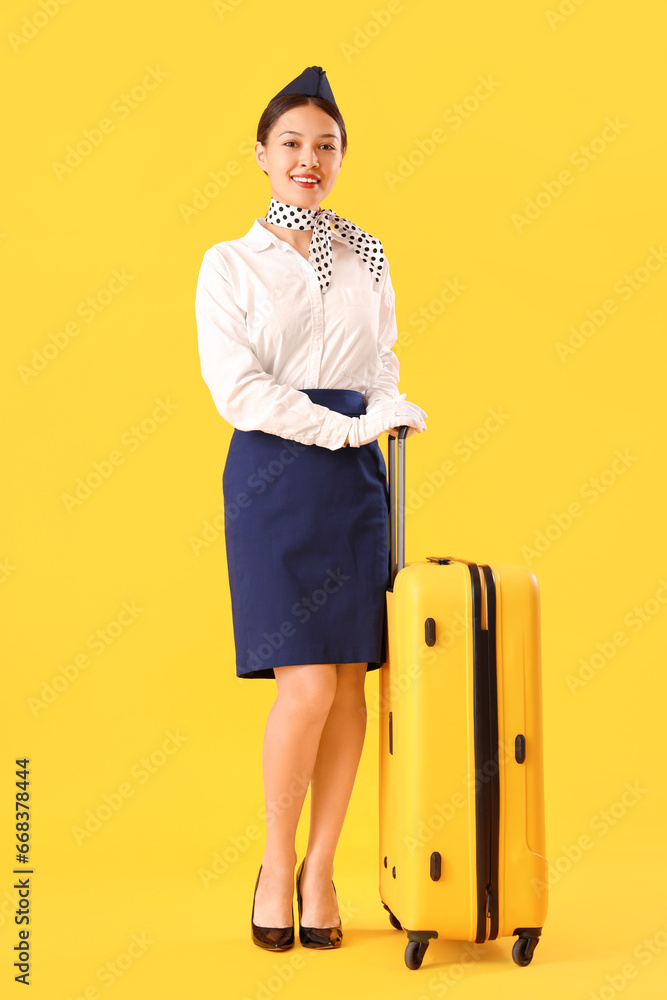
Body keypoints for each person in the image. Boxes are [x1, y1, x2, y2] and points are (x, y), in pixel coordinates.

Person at [194, 65, 428, 951]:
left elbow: (378, 364)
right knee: (302, 685)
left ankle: (322, 869)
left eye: (324, 145)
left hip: (357, 484)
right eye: (291, 143)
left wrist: (385, 408)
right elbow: (240, 389)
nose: (308, 158)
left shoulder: (364, 252)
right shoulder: (230, 265)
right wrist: (343, 428)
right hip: (274, 479)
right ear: (261, 155)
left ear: (339, 158)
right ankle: (272, 860)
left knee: (348, 687)